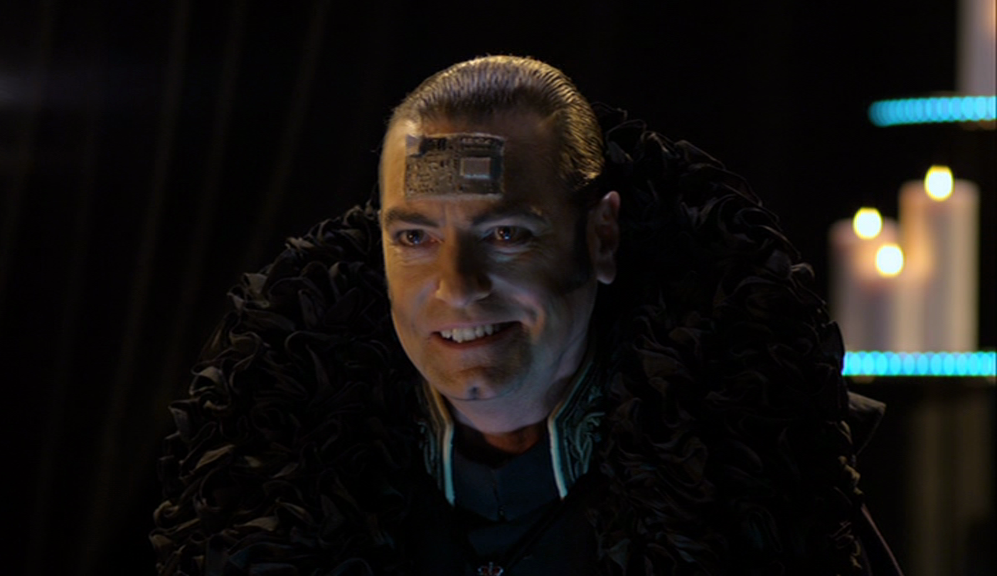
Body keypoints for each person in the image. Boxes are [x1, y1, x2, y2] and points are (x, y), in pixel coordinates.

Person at [152, 55, 902, 575]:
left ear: (601, 237)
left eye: (505, 235)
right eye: (414, 238)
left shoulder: (763, 495)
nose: (456, 287)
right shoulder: (263, 501)